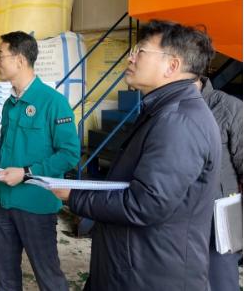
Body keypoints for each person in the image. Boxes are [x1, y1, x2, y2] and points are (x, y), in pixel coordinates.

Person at [52, 20, 221, 290]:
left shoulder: (179, 122)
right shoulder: (162, 111)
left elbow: (145, 204)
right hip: (132, 265)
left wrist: (74, 196)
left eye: (140, 51)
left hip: (151, 275)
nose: (130, 58)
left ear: (172, 66)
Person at [0, 31, 80, 291]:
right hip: (3, 201)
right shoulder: (10, 104)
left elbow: (69, 154)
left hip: (35, 205)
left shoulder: (53, 103)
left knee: (48, 276)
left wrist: (27, 172)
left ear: (20, 60)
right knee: (6, 276)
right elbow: (5, 145)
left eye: (1, 56)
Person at [198, 76, 242, 291]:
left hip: (220, 224)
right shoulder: (161, 110)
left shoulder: (229, 107)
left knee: (220, 282)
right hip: (177, 221)